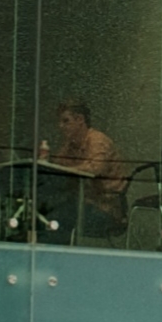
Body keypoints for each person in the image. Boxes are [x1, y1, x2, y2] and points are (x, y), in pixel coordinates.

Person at [43, 98, 129, 241]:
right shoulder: (70, 145)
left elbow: (95, 168)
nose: (61, 126)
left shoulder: (98, 140)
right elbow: (57, 167)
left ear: (80, 120)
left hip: (105, 209)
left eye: (66, 121)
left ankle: (55, 259)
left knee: (55, 217)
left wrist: (66, 169)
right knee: (44, 211)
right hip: (83, 204)